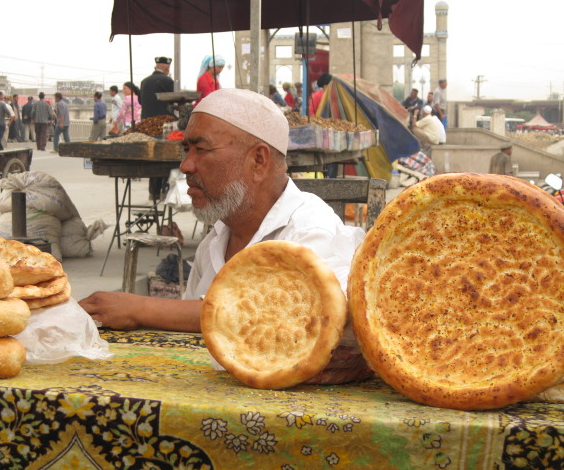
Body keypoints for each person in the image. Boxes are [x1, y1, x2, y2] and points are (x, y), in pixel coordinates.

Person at [79, 88, 365, 332]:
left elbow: (287, 319)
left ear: (258, 160)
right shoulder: (216, 241)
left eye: (200, 150)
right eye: (186, 150)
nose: (186, 165)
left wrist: (139, 308)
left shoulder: (311, 232)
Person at [140, 56, 175, 200]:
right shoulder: (168, 81)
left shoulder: (144, 82)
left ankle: (152, 191)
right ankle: (161, 190)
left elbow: (141, 101)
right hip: (162, 125)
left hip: (146, 125)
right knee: (163, 158)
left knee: (151, 157)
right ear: (166, 68)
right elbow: (174, 100)